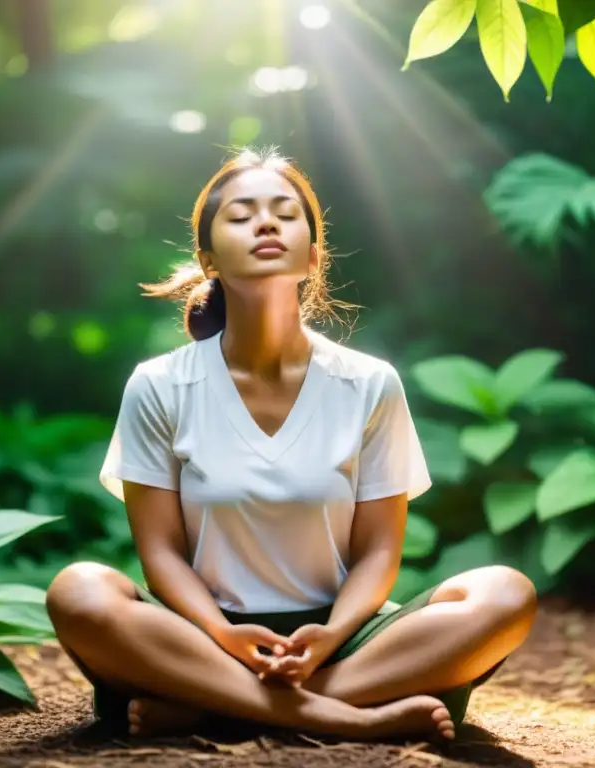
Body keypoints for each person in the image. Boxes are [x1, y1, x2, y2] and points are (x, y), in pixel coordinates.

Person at [45, 147, 537, 742]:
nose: (267, 222)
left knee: (507, 593)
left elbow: (379, 553)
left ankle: (218, 708)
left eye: (285, 212)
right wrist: (223, 635)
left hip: (342, 641)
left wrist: (331, 634)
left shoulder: (369, 383)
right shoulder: (160, 385)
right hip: (200, 640)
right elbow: (161, 557)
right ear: (208, 259)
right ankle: (343, 718)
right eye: (241, 214)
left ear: (312, 255)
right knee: (78, 590)